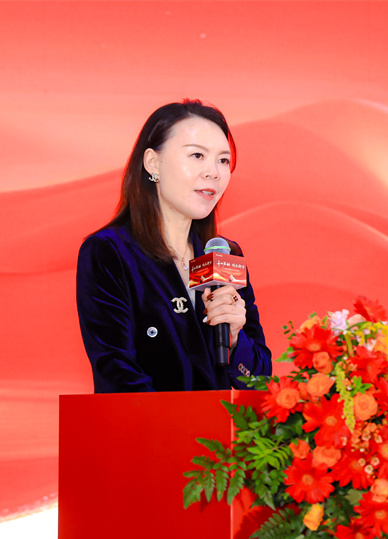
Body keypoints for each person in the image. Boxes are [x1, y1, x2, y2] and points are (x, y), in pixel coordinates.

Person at [76, 99, 272, 393]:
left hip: (221, 424)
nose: (213, 172)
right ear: (153, 163)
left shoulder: (223, 255)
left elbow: (260, 382)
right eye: (197, 155)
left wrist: (234, 339)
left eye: (223, 160)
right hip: (146, 422)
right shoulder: (109, 252)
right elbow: (117, 374)